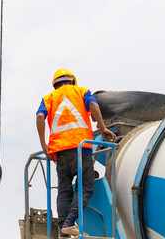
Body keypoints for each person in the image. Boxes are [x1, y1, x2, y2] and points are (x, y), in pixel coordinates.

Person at [36, 69, 116, 237]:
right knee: (86, 186)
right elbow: (93, 105)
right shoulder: (81, 92)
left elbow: (40, 117)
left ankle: (63, 231)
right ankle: (70, 221)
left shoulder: (48, 99)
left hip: (60, 152)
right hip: (81, 147)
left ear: (55, 85)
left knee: (64, 190)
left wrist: (44, 144)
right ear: (72, 81)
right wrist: (102, 128)